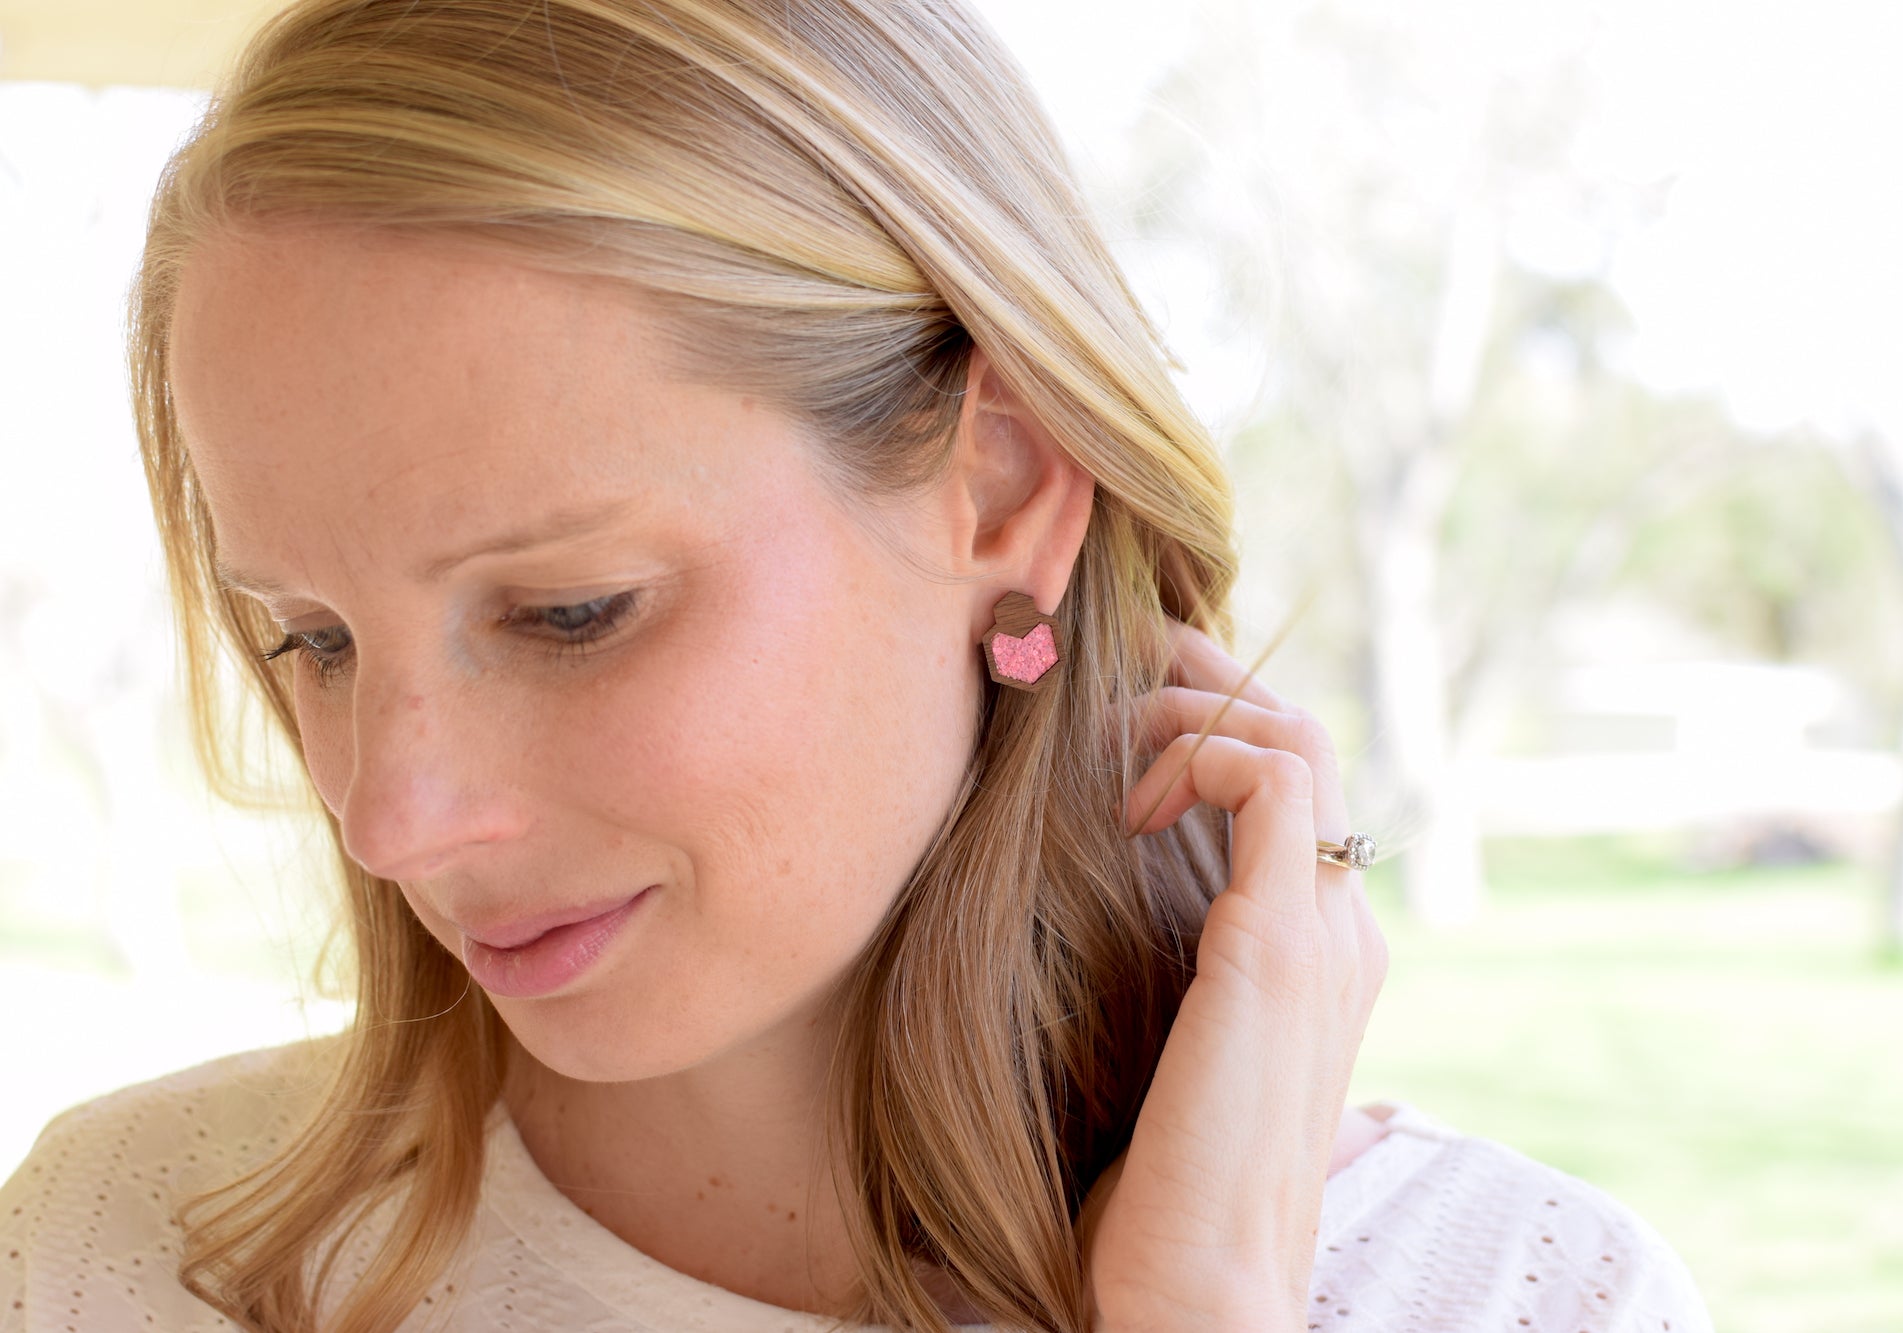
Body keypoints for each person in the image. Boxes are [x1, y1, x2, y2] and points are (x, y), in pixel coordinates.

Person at [0, 1, 1717, 1330]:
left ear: (1008, 487)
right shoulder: (129, 1253)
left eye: (571, 609)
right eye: (312, 636)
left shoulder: (1513, 1289)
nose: (390, 815)